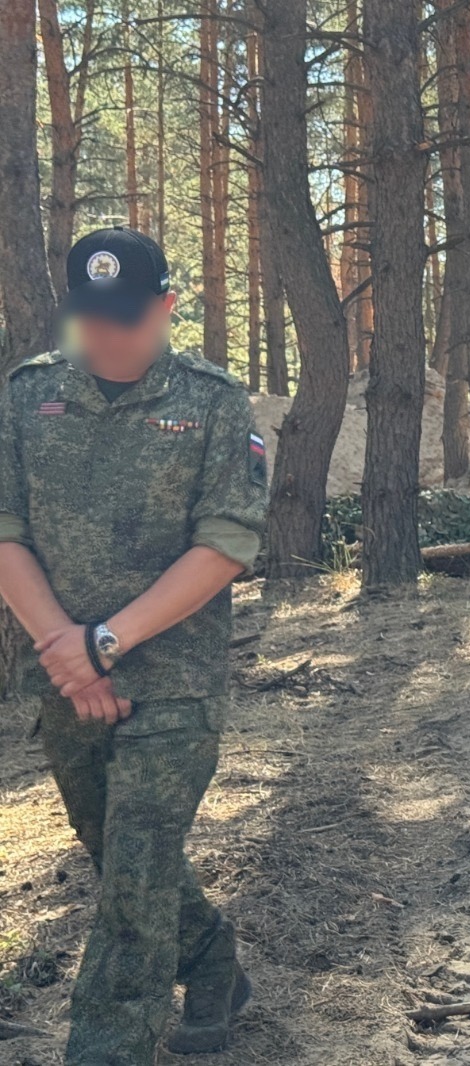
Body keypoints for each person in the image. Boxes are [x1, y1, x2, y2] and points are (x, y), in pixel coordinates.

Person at [0, 227, 266, 1062]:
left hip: (174, 676)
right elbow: (5, 530)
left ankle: (107, 1046)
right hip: (63, 671)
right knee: (113, 851)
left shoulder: (213, 402)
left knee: (138, 869)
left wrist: (106, 643)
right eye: (90, 316)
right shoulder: (28, 394)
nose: (106, 334)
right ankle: (213, 959)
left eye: (125, 316)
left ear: (166, 306)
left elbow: (225, 544)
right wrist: (68, 651)